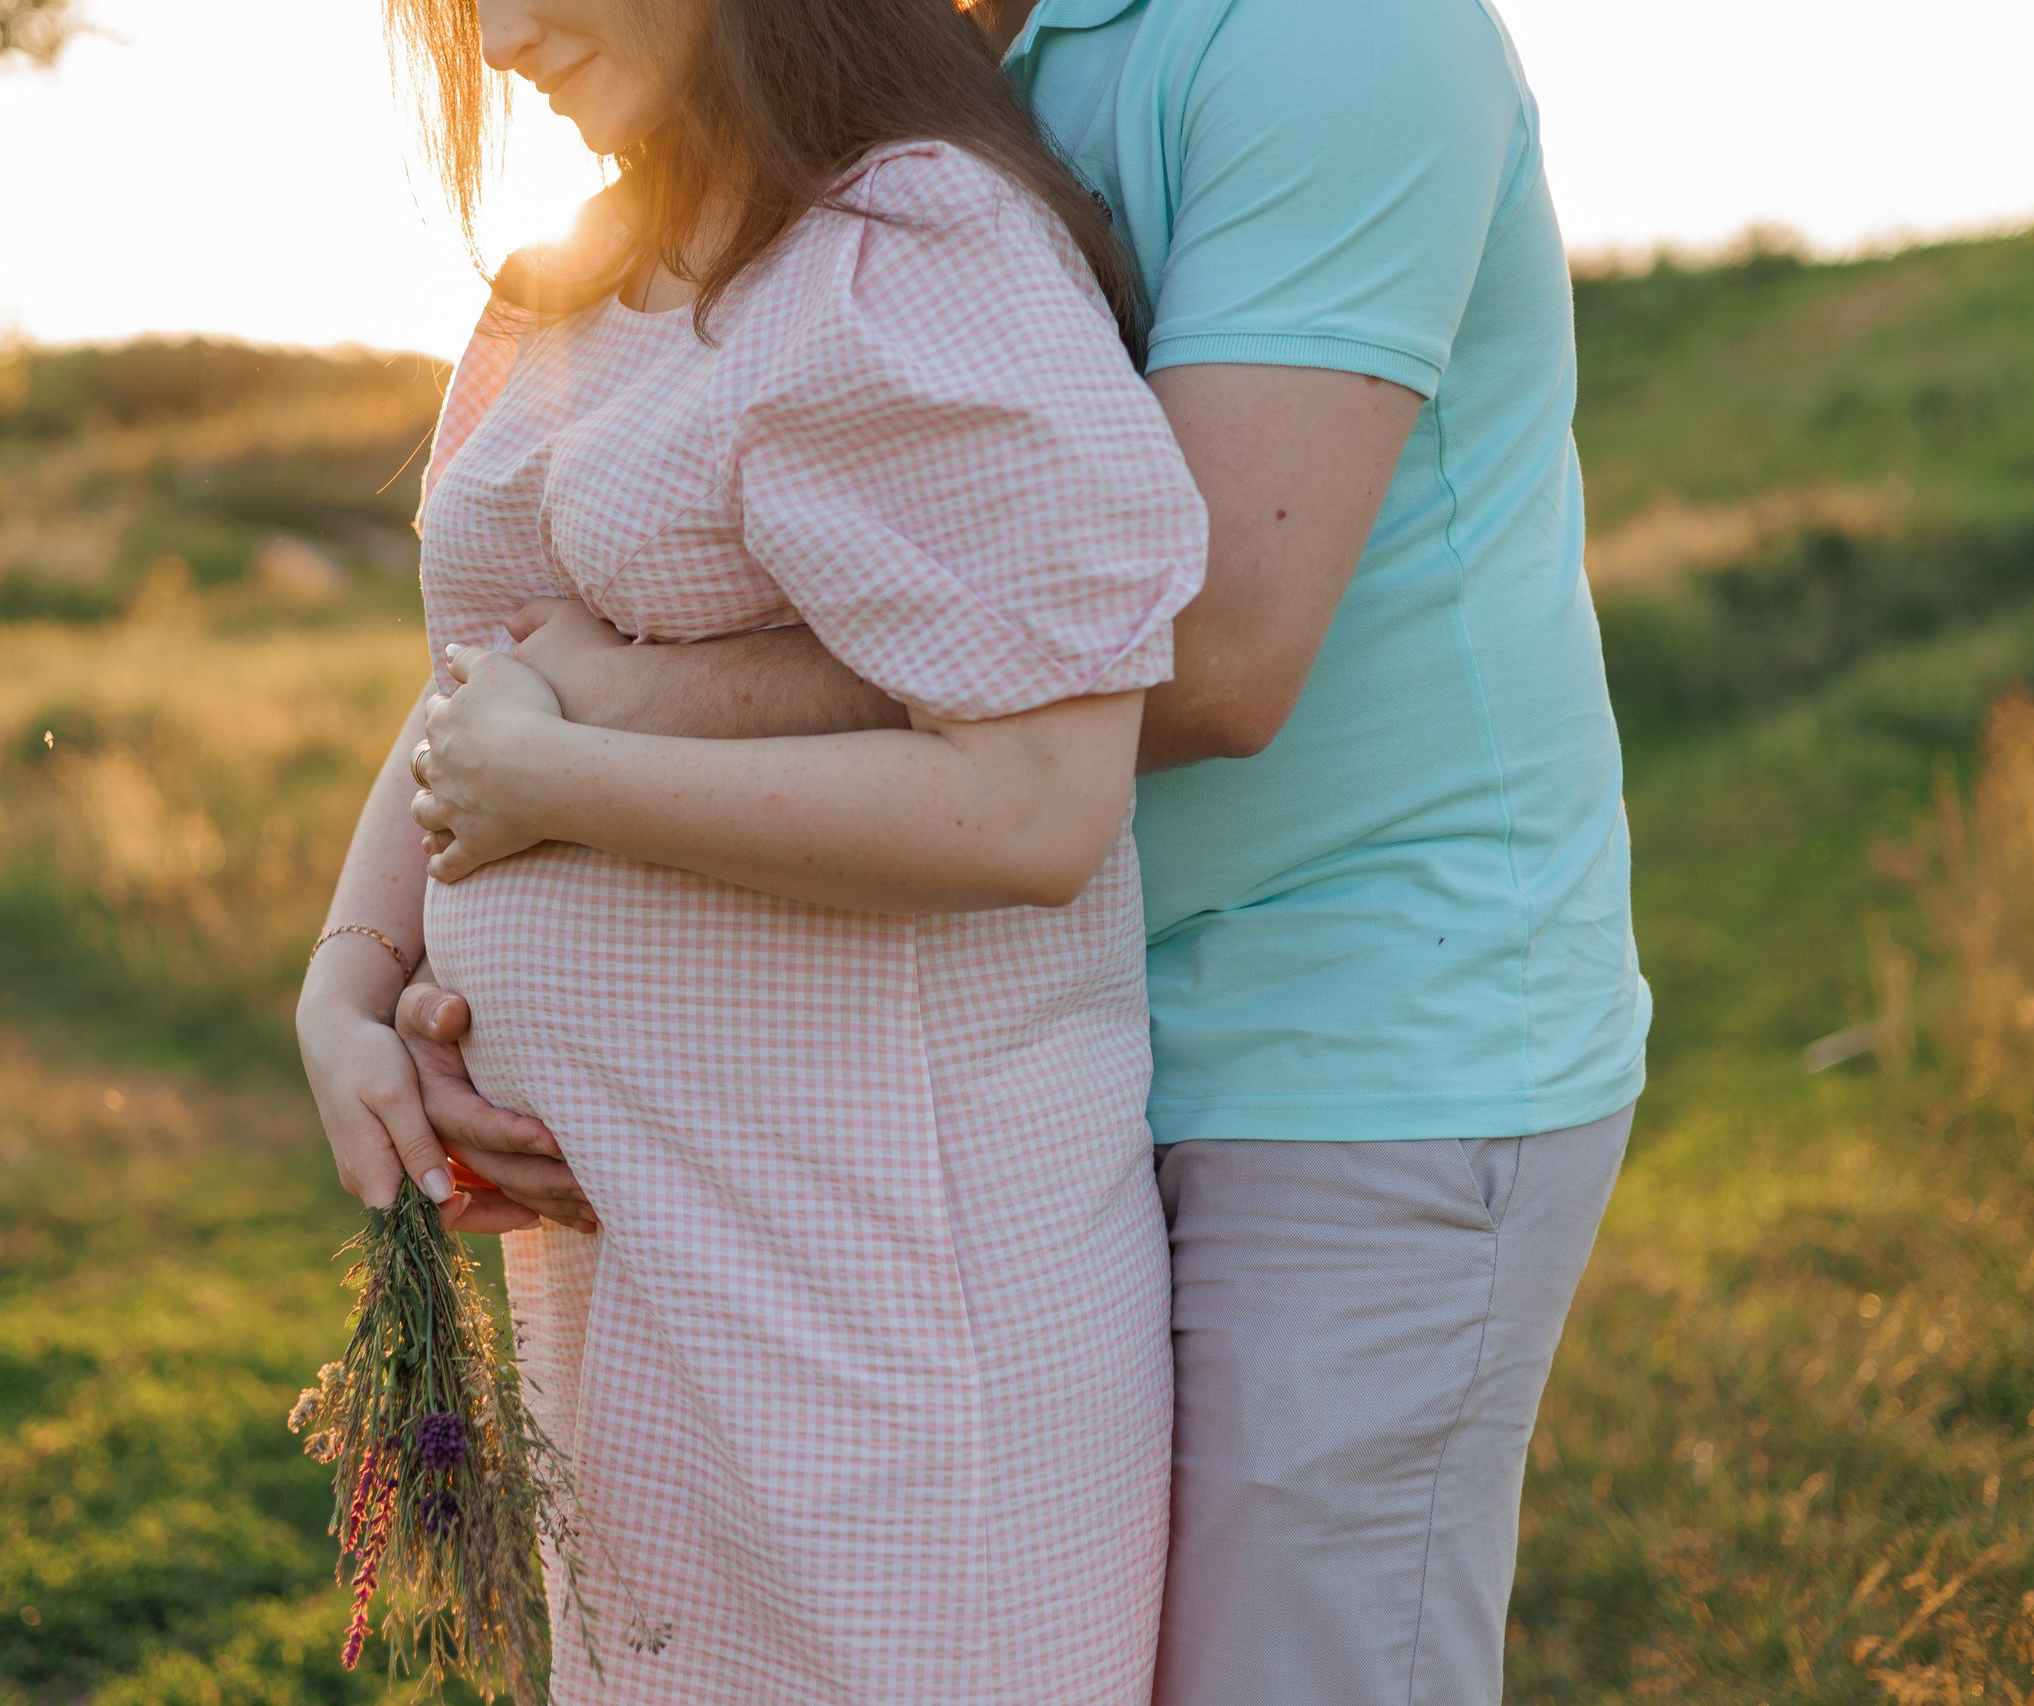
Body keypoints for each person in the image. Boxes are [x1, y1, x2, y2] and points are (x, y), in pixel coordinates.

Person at [384, 0, 1657, 1702]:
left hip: (1355, 1031)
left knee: (1297, 1668)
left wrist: (601, 708)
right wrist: (394, 948)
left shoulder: (1333, 36)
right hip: (1057, 1051)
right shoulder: (990, 44)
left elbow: (1194, 648)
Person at [297, 0, 1209, 1697]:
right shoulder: (578, 271)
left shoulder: (913, 248)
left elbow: (1036, 801)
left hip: (877, 1311)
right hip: (638, 1290)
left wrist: (564, 782)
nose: (497, 41)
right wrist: (351, 984)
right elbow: (474, 691)